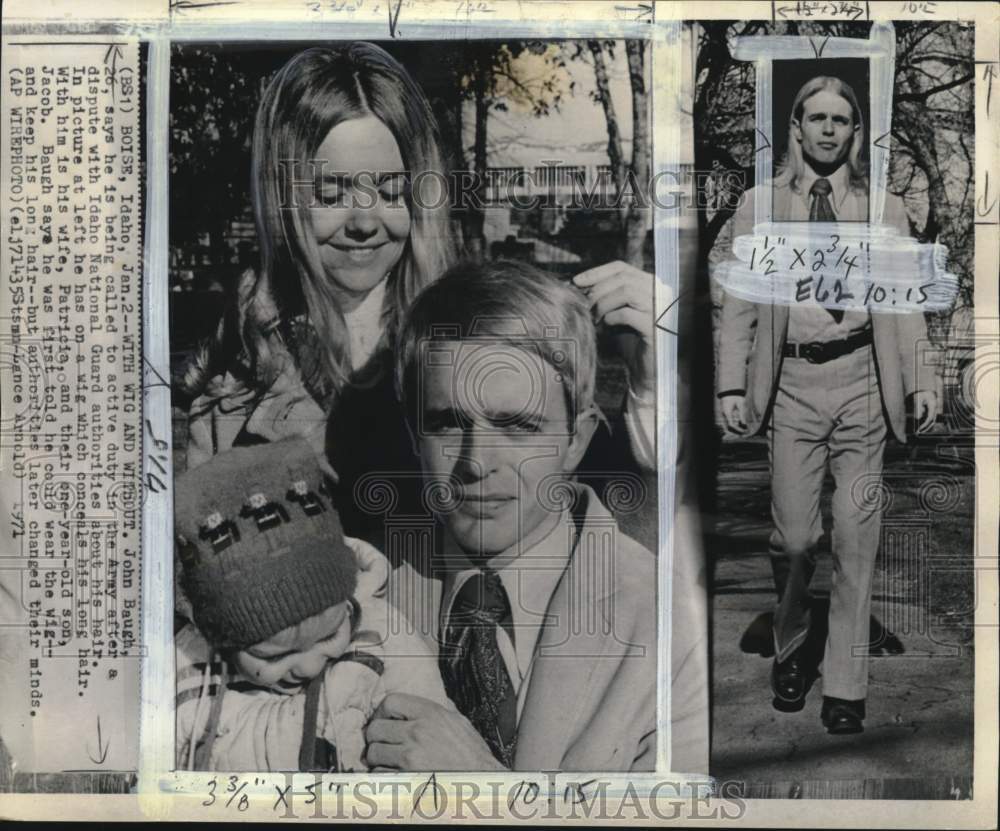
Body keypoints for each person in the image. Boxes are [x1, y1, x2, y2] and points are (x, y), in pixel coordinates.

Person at [181, 43, 657, 552]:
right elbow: (201, 588)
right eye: (331, 194)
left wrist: (649, 392)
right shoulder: (237, 381)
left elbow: (622, 547)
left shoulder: (483, 333)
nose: (365, 222)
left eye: (391, 192)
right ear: (282, 199)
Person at [361, 260, 659, 771]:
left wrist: (482, 785)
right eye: (448, 424)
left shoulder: (663, 621)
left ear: (575, 441)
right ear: (414, 439)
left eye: (518, 426)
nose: (476, 462)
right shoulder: (363, 598)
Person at [717, 75, 938, 734]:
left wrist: (920, 379)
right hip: (791, 387)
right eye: (816, 117)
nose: (828, 129)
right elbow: (738, 308)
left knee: (856, 536)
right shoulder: (759, 206)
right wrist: (731, 385)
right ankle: (791, 641)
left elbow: (910, 305)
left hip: (864, 382)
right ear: (796, 126)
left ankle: (845, 683)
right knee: (794, 537)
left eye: (841, 119)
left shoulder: (886, 211)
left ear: (854, 131)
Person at [173, 438, 452, 771]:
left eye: (329, 636)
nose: (308, 666)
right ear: (220, 637)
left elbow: (433, 731)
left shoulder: (382, 638)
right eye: (275, 655)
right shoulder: (187, 666)